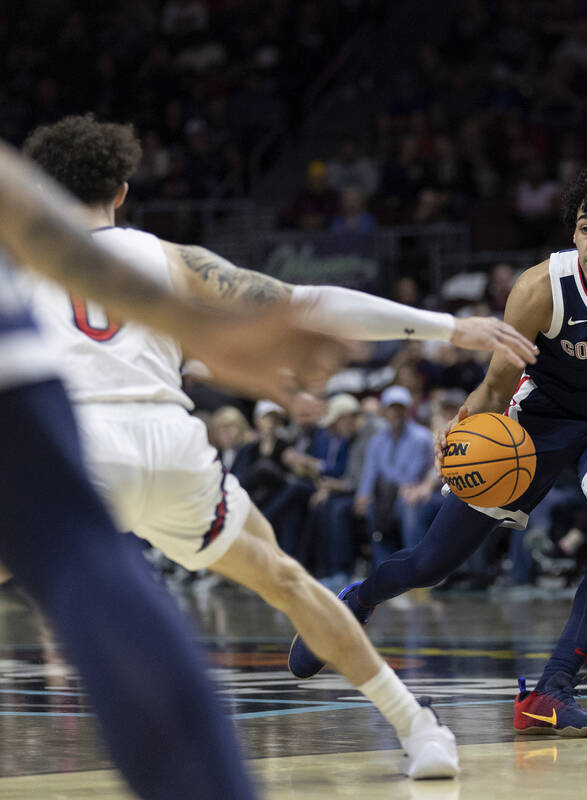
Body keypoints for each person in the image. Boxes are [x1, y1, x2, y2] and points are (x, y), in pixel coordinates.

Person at [23, 114, 536, 776]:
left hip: (83, 450)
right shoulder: (175, 260)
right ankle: (419, 730)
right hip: (174, 447)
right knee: (288, 580)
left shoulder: (20, 264)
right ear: (122, 191)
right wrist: (450, 328)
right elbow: (308, 301)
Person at [289, 171, 587, 737]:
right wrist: (464, 431)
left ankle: (551, 691)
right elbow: (497, 388)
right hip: (532, 428)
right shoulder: (541, 287)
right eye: (585, 226)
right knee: (432, 563)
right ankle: (354, 600)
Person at [0, 138, 350, 799]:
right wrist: (200, 326)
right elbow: (27, 217)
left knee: (84, 558)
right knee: (88, 561)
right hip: (109, 424)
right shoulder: (142, 248)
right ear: (121, 193)